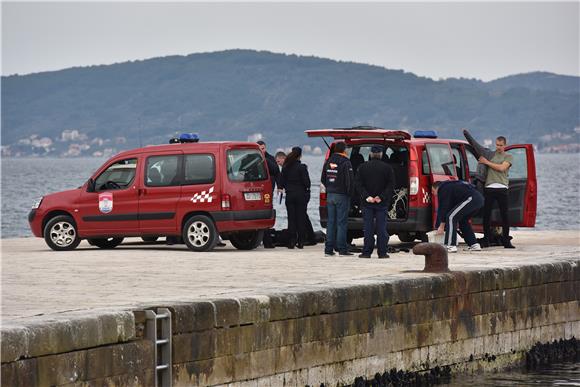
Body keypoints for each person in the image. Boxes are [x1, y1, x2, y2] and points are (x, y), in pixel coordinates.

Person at [463, 130, 515, 248]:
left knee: (505, 216)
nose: (499, 147)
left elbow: (502, 168)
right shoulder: (490, 154)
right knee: (486, 216)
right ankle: (486, 240)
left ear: (505, 145)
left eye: (501, 145)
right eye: (497, 144)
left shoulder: (508, 156)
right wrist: (466, 134)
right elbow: (476, 146)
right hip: (489, 188)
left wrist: (486, 162)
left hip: (502, 188)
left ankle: (506, 241)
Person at [355, 145, 395, 259]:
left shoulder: (362, 167)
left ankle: (367, 252)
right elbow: (391, 185)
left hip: (367, 203)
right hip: (381, 203)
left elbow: (358, 184)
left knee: (368, 228)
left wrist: (367, 196)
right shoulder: (387, 168)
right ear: (381, 154)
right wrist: (381, 197)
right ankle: (382, 253)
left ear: (371, 154)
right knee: (381, 228)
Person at [321, 141, 354, 257]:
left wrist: (330, 188)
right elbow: (349, 181)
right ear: (344, 150)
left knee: (331, 223)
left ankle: (328, 249)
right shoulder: (346, 162)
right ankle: (342, 249)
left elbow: (323, 179)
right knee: (341, 223)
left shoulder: (328, 161)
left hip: (330, 195)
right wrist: (350, 194)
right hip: (342, 195)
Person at [434, 180, 484, 253]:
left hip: (471, 199)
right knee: (463, 220)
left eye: (433, 191)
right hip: (479, 199)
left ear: (436, 188)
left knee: (451, 217)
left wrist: (441, 226)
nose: (434, 194)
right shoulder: (450, 186)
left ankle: (450, 245)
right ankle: (474, 244)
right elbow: (449, 207)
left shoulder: (443, 189)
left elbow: (444, 207)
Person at [280, 147, 311, 249]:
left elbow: (281, 183)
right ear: (300, 155)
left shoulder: (285, 167)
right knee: (300, 218)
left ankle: (291, 241)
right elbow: (307, 183)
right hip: (300, 195)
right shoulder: (302, 167)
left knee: (291, 219)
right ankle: (301, 241)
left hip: (289, 195)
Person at [257, 141, 281, 248]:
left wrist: (280, 187)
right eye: (260, 148)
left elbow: (276, 171)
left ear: (265, 148)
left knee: (267, 212)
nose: (262, 150)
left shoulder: (270, 158)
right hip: (256, 190)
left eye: (263, 148)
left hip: (268, 190)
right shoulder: (253, 158)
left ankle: (267, 240)